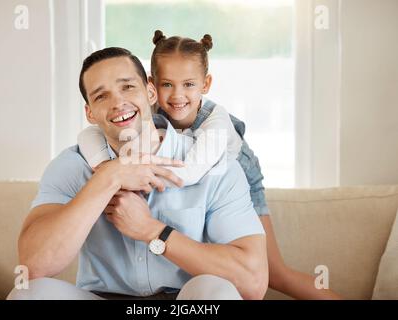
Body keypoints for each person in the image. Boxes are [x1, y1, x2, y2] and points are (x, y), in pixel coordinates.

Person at [77, 30, 342, 300]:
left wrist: (134, 176)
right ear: (152, 87)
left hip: (232, 174)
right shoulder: (145, 110)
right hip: (189, 175)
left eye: (189, 84)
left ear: (206, 84)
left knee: (274, 273)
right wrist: (104, 169)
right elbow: (88, 134)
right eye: (167, 84)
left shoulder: (216, 122)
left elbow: (190, 173)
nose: (177, 95)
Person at [7, 46, 268, 300]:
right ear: (90, 113)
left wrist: (152, 231)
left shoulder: (214, 165)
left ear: (150, 92)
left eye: (128, 87)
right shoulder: (71, 166)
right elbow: (33, 267)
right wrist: (109, 177)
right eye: (101, 96)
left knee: (215, 292)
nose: (118, 102)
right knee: (28, 294)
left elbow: (252, 282)